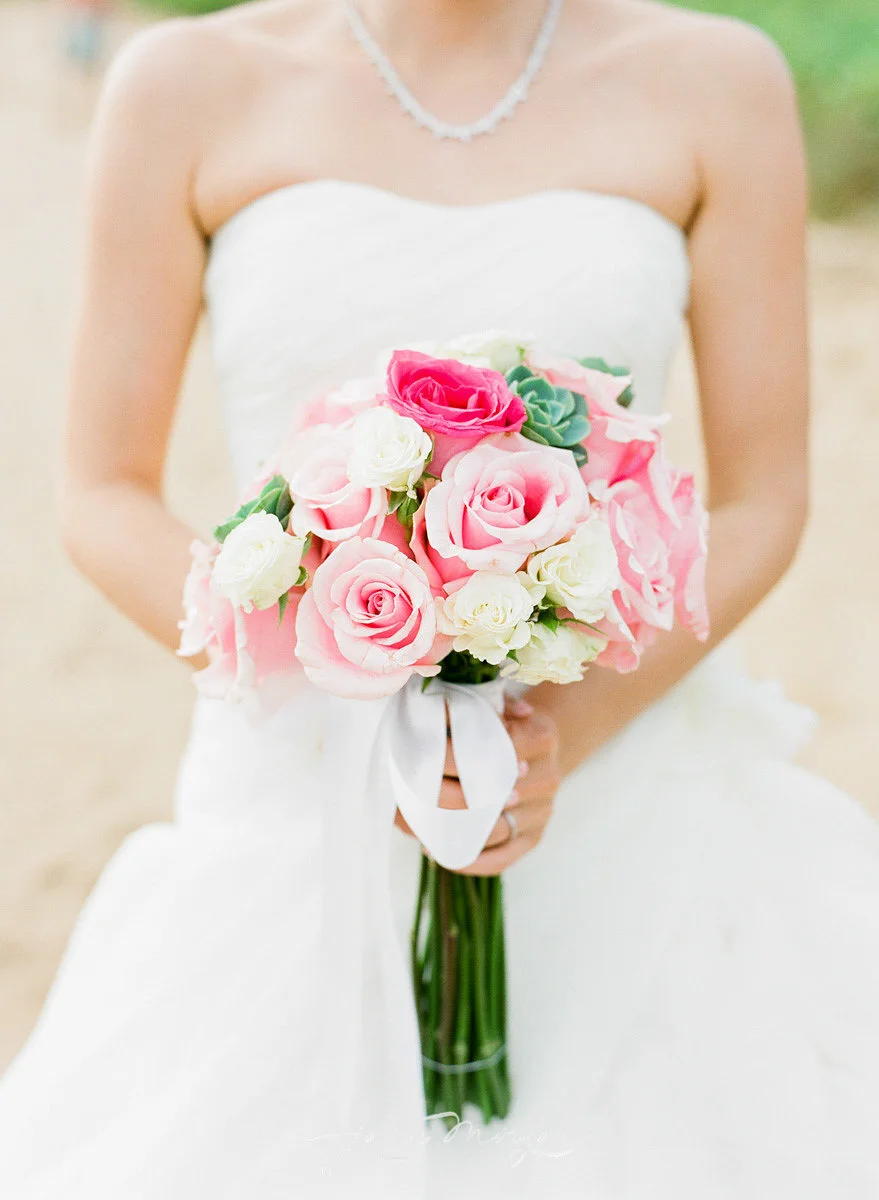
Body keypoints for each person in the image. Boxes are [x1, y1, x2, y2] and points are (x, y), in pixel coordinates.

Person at [2, 0, 879, 1195]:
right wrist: (356, 691)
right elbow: (102, 492)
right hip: (297, 782)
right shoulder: (182, 84)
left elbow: (764, 500)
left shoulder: (718, 80)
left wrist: (546, 738)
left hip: (631, 785)